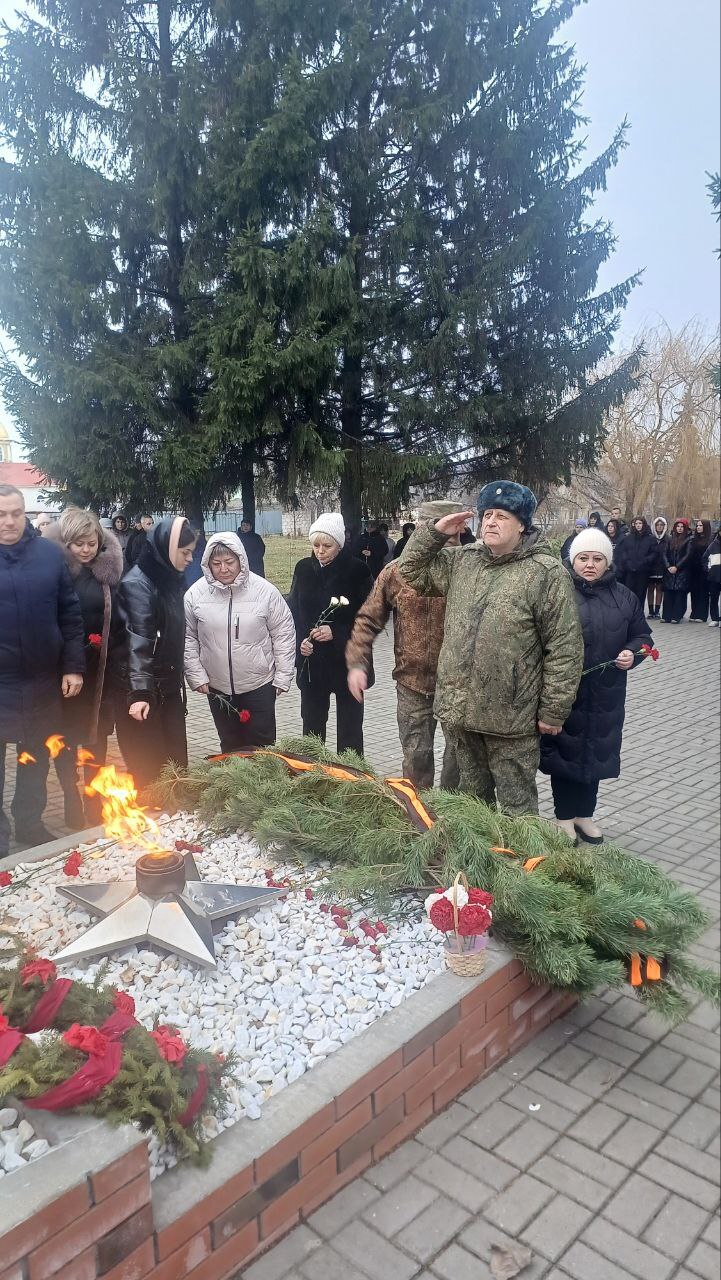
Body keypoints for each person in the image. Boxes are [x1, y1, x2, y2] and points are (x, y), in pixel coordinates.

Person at [399, 481, 583, 816]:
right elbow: (410, 570)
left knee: (517, 810)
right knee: (470, 808)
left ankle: (523, 866)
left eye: (502, 516)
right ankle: (475, 866)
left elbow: (565, 646)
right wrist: (434, 532)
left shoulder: (546, 573)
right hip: (461, 712)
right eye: (487, 515)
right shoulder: (464, 561)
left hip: (511, 717)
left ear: (522, 525)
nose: (491, 522)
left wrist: (553, 710)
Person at [540, 528, 652, 843]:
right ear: (572, 560)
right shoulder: (558, 592)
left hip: (607, 693)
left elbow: (642, 636)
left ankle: (584, 816)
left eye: (598, 558)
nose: (590, 564)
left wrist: (634, 653)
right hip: (566, 691)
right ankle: (563, 817)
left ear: (607, 562)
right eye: (584, 558)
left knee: (596, 754)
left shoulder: (624, 596)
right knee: (565, 755)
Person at [346, 501, 463, 791]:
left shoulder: (470, 570)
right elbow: (367, 620)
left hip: (460, 687)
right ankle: (418, 820)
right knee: (415, 760)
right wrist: (357, 664)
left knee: (459, 764)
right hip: (412, 683)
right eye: (442, 534)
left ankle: (456, 823)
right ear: (424, 532)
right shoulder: (396, 573)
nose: (451, 543)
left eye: (456, 536)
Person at [0, 484, 85, 854]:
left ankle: (31, 825)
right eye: (1, 515)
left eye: (16, 513)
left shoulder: (49, 555)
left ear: (27, 513)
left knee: (34, 757)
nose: (9, 522)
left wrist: (73, 667)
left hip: (40, 681)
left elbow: (70, 613)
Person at [184, 533, 296, 752]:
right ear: (207, 564)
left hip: (259, 684)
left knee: (262, 746)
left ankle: (263, 786)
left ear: (241, 560)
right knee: (230, 744)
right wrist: (196, 674)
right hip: (217, 687)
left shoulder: (266, 592)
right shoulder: (194, 595)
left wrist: (283, 677)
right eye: (216, 564)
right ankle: (233, 785)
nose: (223, 569)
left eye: (229, 562)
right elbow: (187, 637)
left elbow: (283, 633)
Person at [48, 509, 124, 828]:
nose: (86, 550)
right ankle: (70, 799)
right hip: (64, 670)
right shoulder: (56, 573)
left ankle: (94, 800)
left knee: (96, 738)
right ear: (66, 543)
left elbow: (119, 620)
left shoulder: (106, 573)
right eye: (78, 544)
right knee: (64, 738)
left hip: (99, 672)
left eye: (91, 543)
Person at [109, 516, 196, 789]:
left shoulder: (169, 579)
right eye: (185, 552)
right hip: (143, 695)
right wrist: (140, 695)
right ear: (167, 549)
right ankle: (152, 828)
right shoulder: (138, 585)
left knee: (175, 768)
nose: (190, 559)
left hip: (165, 689)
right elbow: (138, 643)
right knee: (152, 773)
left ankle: (175, 827)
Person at [288, 513, 373, 754]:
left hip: (347, 661)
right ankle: (313, 776)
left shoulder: (358, 570)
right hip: (313, 661)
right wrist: (301, 643)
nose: (320, 551)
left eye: (327, 546)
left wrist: (337, 631)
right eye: (316, 545)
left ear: (339, 544)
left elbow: (369, 618)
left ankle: (351, 777)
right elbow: (294, 611)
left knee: (350, 728)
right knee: (312, 727)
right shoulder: (303, 568)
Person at [615, 516, 656, 603]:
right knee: (629, 594)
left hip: (643, 571)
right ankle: (630, 613)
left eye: (640, 523)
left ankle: (639, 613)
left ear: (644, 524)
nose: (638, 525)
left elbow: (654, 553)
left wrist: (645, 561)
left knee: (641, 593)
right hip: (630, 571)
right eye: (636, 523)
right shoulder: (628, 538)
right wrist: (628, 563)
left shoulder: (650, 538)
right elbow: (624, 552)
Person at [661, 519, 693, 623]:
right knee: (668, 593)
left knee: (680, 594)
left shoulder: (689, 540)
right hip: (670, 571)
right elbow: (664, 553)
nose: (679, 528)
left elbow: (687, 556)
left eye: (682, 527)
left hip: (682, 571)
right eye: (678, 526)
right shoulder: (670, 539)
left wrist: (677, 567)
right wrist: (668, 566)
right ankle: (666, 616)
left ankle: (676, 616)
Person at [688, 519, 713, 622]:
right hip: (694, 569)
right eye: (697, 525)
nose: (698, 527)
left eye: (700, 526)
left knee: (703, 592)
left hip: (704, 569)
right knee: (694, 592)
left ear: (705, 527)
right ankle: (694, 613)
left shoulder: (710, 540)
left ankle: (702, 615)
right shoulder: (693, 539)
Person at [647, 516, 669, 618]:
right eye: (657, 525)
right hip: (650, 568)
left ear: (664, 526)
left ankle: (657, 611)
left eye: (661, 525)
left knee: (659, 589)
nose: (659, 527)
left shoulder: (668, 539)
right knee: (650, 589)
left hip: (662, 568)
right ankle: (651, 611)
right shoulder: (650, 538)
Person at [703, 528, 721, 627]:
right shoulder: (713, 544)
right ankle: (715, 619)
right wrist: (708, 570)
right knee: (714, 598)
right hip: (714, 577)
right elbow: (704, 558)